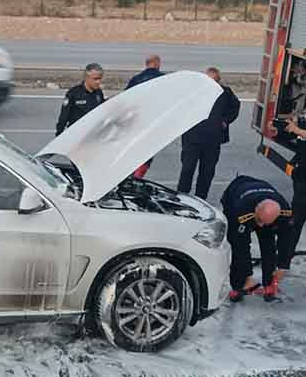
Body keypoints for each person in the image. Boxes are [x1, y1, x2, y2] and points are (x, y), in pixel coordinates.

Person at [220, 176, 293, 302]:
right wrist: (247, 275)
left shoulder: (284, 210)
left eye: (264, 223)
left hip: (263, 197)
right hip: (235, 192)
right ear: (256, 210)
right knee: (239, 245)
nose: (260, 226)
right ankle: (240, 285)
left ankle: (269, 283)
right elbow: (240, 246)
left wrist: (283, 266)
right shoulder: (241, 210)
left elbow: (285, 239)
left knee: (268, 243)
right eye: (259, 221)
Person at [177, 67, 240, 200]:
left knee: (207, 172)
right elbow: (180, 107)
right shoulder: (194, 92)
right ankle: (182, 197)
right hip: (192, 139)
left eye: (214, 82)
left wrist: (225, 121)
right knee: (187, 169)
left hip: (212, 141)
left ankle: (201, 199)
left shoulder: (225, 93)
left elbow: (235, 107)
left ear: (218, 82)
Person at [268, 116, 306, 260]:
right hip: (301, 173)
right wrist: (278, 131)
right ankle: (285, 255)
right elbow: (298, 135)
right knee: (296, 217)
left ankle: (284, 256)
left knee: (297, 218)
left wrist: (297, 129)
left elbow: (300, 132)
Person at [125, 55, 164, 179]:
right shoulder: (164, 79)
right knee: (148, 151)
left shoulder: (136, 79)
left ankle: (131, 174)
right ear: (157, 64)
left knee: (135, 149)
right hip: (154, 121)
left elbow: (126, 99)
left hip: (137, 120)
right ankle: (137, 177)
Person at [55, 63, 105, 136]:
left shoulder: (99, 93)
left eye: (100, 79)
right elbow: (63, 118)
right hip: (76, 135)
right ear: (86, 78)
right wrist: (59, 136)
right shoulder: (73, 94)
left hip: (92, 135)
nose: (98, 82)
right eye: (95, 79)